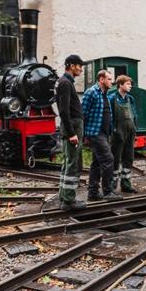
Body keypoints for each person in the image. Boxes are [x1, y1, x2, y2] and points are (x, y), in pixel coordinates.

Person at [53, 55, 88, 211]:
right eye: (79, 66)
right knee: (73, 164)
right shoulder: (66, 83)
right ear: (71, 66)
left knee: (68, 162)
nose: (81, 68)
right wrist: (72, 133)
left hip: (72, 126)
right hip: (72, 127)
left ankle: (64, 196)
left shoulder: (64, 82)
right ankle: (68, 201)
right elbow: (64, 111)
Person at [82, 70, 122, 201]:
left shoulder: (105, 94)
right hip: (95, 133)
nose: (112, 81)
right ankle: (107, 191)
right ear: (101, 79)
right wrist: (84, 135)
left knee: (97, 162)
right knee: (108, 160)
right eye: (109, 79)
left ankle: (93, 192)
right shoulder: (91, 92)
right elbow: (83, 114)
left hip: (104, 133)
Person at [109, 75, 138, 193]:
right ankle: (112, 185)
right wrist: (114, 130)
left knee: (129, 158)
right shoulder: (112, 98)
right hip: (118, 134)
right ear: (120, 85)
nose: (130, 86)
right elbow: (110, 117)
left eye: (130, 84)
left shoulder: (130, 99)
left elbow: (134, 115)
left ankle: (126, 184)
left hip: (130, 133)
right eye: (127, 84)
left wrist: (135, 128)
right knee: (115, 159)